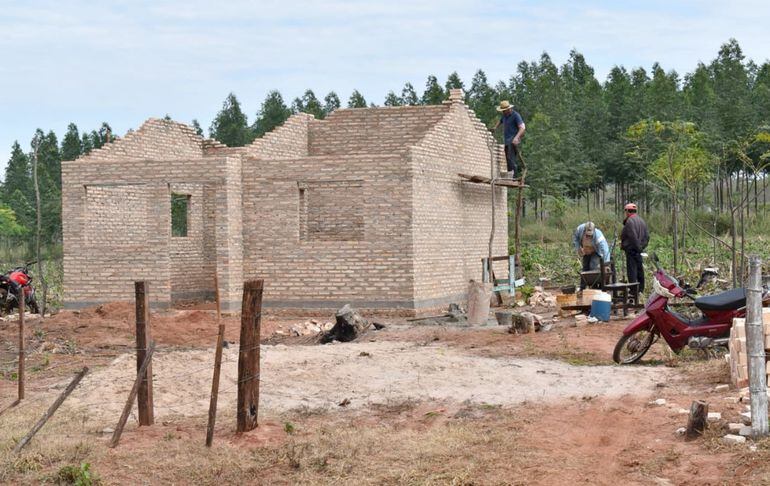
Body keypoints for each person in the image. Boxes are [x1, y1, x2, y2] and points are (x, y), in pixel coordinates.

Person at [620, 203, 649, 295]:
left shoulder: (629, 221)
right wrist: (642, 247)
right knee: (640, 269)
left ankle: (633, 291)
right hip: (639, 249)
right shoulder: (641, 221)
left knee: (632, 270)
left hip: (632, 249)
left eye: (626, 211)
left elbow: (632, 237)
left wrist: (637, 248)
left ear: (628, 211)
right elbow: (647, 237)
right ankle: (641, 289)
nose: (625, 213)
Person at [572, 221, 611, 289]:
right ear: (584, 230)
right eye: (587, 235)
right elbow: (575, 239)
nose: (588, 237)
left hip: (595, 251)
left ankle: (595, 287)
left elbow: (605, 250)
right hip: (585, 251)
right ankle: (582, 288)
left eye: (590, 235)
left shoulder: (598, 236)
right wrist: (578, 248)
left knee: (593, 267)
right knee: (585, 269)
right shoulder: (579, 229)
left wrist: (606, 264)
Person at [493, 100, 525, 177]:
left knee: (511, 158)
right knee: (507, 158)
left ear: (509, 109)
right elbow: (500, 121)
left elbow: (522, 128)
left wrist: (516, 138)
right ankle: (510, 175)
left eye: (504, 111)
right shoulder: (504, 115)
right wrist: (495, 127)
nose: (503, 112)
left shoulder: (515, 115)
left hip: (513, 140)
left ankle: (514, 177)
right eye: (502, 111)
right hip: (507, 141)